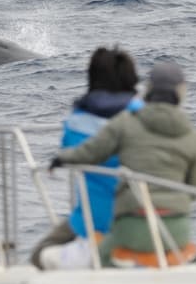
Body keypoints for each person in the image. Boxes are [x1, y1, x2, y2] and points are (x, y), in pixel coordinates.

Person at [50, 61, 196, 268]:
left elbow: (89, 152)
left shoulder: (126, 122)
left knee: (98, 262)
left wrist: (62, 158)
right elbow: (194, 191)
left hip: (131, 225)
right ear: (181, 92)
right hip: (175, 229)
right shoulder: (193, 135)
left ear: (148, 89)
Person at [30, 46, 142, 270]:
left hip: (93, 221)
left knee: (39, 256)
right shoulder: (147, 116)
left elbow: (68, 151)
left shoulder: (77, 121)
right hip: (145, 219)